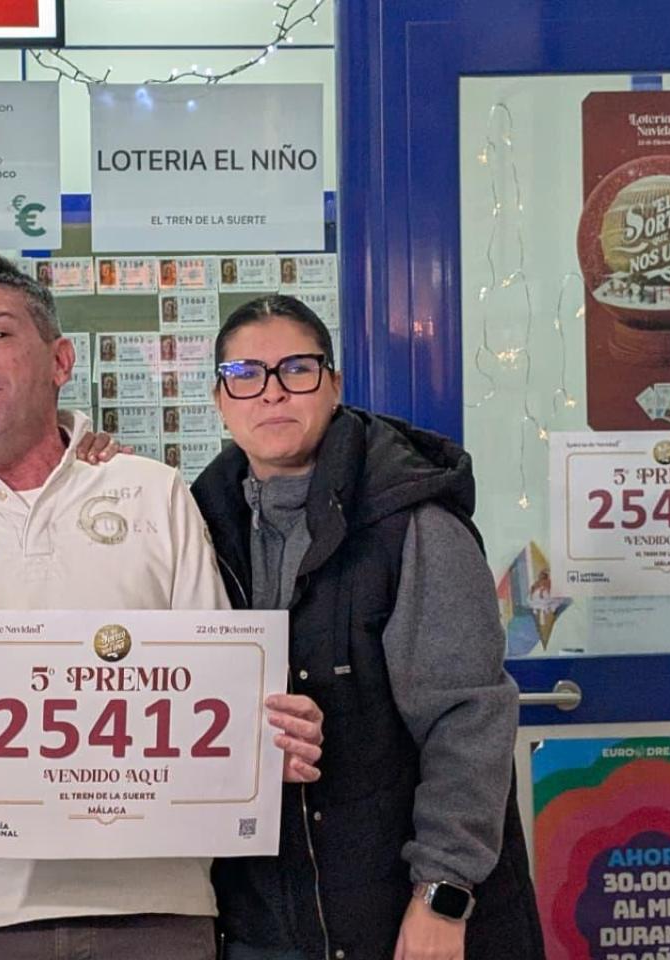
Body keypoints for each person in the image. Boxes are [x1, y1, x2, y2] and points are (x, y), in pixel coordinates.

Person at [0, 253, 325, 959]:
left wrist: (271, 738)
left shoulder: (152, 492)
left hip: (155, 907)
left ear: (60, 359)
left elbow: (222, 686)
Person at [190, 295, 543, 960]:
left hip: (401, 918)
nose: (271, 393)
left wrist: (443, 890)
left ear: (333, 384)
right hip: (263, 918)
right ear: (220, 397)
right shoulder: (197, 529)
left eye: (296, 369)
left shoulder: (412, 523)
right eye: (246, 374)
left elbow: (468, 719)